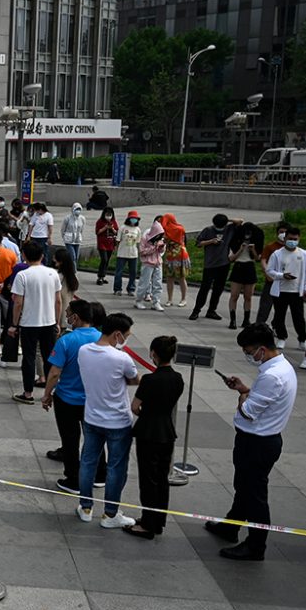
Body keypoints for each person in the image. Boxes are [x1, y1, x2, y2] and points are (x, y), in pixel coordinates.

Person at [207, 324, 297, 560]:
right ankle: (230, 526)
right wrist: (246, 389)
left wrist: (244, 395)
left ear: (263, 350)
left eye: (249, 351)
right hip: (260, 439)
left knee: (255, 495)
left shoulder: (272, 375)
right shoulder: (280, 367)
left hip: (257, 443)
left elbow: (248, 412)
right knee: (244, 487)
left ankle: (256, 546)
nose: (247, 356)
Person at [76, 312, 140, 528]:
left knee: (88, 462)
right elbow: (134, 379)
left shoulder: (84, 351)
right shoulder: (121, 358)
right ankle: (110, 514)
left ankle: (85, 506)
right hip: (118, 421)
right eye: (127, 335)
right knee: (116, 468)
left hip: (92, 418)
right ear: (117, 334)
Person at [124, 335, 185, 540]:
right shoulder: (178, 379)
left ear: (153, 354)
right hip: (167, 431)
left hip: (148, 432)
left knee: (148, 480)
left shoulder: (150, 380)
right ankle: (158, 520)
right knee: (162, 479)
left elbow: (135, 407)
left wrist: (147, 413)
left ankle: (147, 523)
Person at [41, 300, 106, 492]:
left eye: (68, 314)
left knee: (70, 439)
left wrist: (47, 394)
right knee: (94, 437)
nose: (67, 318)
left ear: (75, 318)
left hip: (67, 399)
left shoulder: (66, 340)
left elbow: (54, 373)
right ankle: (100, 474)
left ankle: (74, 479)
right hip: (93, 399)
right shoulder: (102, 338)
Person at [9, 241, 62, 405]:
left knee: (29, 358)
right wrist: (57, 322)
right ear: (42, 256)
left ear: (24, 256)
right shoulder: (53, 274)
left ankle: (28, 393)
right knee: (49, 358)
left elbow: (18, 303)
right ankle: (49, 391)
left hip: (29, 323)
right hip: (49, 322)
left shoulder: (22, 275)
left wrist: (14, 324)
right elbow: (58, 301)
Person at [189, 214, 244, 321]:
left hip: (224, 263)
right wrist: (211, 241)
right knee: (204, 288)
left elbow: (240, 221)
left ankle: (211, 310)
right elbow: (198, 243)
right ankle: (196, 310)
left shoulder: (229, 228)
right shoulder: (208, 230)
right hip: (210, 264)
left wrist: (226, 220)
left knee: (218, 289)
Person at [266, 227, 306, 350]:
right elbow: (269, 270)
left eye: (295, 239)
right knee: (279, 316)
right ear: (285, 238)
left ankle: (302, 338)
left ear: (299, 239)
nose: (292, 241)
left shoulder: (303, 254)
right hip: (280, 290)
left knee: (298, 317)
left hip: (296, 291)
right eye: (290, 239)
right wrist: (282, 276)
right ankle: (281, 337)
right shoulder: (277, 254)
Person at [227, 222, 263, 329]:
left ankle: (246, 320)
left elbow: (257, 259)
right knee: (234, 295)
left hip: (250, 267)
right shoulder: (235, 242)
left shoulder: (256, 242)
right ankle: (232, 320)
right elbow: (231, 258)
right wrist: (240, 249)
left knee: (248, 296)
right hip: (238, 267)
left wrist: (253, 250)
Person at [256, 222, 291, 324]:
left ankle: (277, 326)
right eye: (281, 232)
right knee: (265, 305)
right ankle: (259, 326)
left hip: (284, 283)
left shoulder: (291, 249)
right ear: (277, 233)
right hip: (271, 281)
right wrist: (268, 274)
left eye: (285, 232)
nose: (283, 234)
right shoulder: (271, 247)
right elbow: (263, 260)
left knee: (281, 307)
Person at [134, 217, 165, 312]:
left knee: (158, 283)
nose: (159, 236)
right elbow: (142, 251)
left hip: (158, 263)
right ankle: (138, 300)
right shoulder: (145, 238)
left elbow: (161, 251)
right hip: (148, 263)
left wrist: (161, 247)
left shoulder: (160, 239)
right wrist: (154, 248)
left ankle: (156, 302)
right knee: (144, 283)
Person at [160, 213, 189, 308]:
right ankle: (171, 299)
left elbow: (165, 238)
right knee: (171, 278)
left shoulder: (175, 229)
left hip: (178, 255)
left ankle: (181, 299)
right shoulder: (179, 228)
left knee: (179, 277)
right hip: (172, 254)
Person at [112, 210, 141, 297]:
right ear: (128, 219)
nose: (133, 220)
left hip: (133, 254)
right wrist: (116, 250)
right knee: (119, 272)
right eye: (132, 218)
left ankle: (131, 289)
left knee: (133, 272)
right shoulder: (123, 228)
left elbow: (138, 242)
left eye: (135, 219)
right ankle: (117, 289)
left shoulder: (138, 230)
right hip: (122, 253)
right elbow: (117, 240)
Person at [52, 247, 79, 325]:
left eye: (55, 257)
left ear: (60, 261)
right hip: (67, 312)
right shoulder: (73, 277)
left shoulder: (58, 277)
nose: (53, 259)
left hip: (57, 314)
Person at [94, 207, 118, 286]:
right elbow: (97, 232)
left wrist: (112, 228)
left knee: (107, 261)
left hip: (110, 244)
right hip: (102, 244)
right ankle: (100, 277)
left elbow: (116, 232)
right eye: (107, 215)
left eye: (110, 215)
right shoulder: (100, 222)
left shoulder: (113, 222)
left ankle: (103, 276)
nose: (108, 216)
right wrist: (105, 228)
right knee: (104, 259)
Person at [60, 203, 86, 268]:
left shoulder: (82, 218)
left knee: (76, 257)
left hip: (77, 240)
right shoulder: (67, 218)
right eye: (76, 209)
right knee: (72, 256)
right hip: (69, 241)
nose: (78, 211)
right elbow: (63, 229)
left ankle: (69, 267)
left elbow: (82, 229)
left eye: (79, 209)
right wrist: (64, 237)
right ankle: (74, 272)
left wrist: (80, 236)